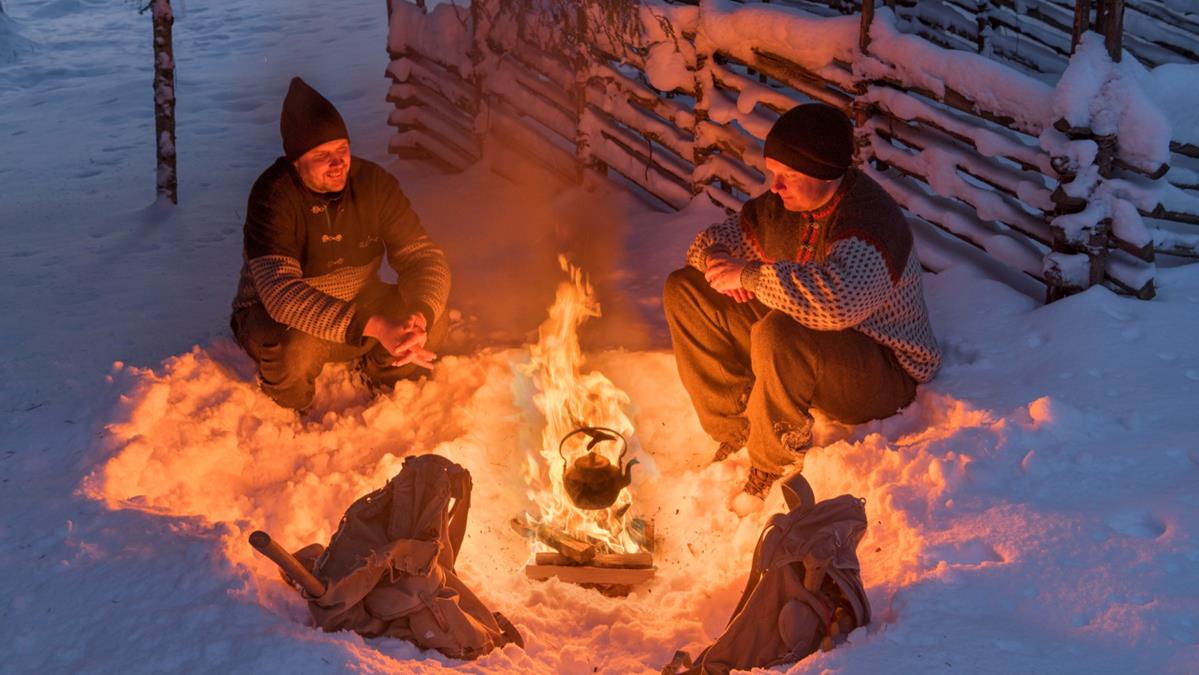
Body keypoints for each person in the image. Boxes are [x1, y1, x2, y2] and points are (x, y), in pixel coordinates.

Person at [662, 103, 941, 511]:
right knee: (685, 290)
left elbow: (835, 305)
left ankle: (770, 463)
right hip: (808, 342)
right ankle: (738, 430)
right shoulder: (781, 207)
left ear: (825, 172)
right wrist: (718, 258)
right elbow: (704, 246)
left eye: (788, 176)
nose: (774, 186)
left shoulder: (869, 220)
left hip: (881, 368)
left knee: (779, 332)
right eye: (772, 172)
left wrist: (751, 276)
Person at [230, 77, 451, 411]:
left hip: (360, 303)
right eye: (322, 155)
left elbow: (423, 257)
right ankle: (290, 413)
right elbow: (281, 295)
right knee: (292, 349)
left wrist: (418, 316)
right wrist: (375, 325)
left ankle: (385, 383)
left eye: (342, 150)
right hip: (279, 318)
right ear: (296, 161)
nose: (337, 163)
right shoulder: (274, 196)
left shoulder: (374, 185)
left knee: (433, 316)